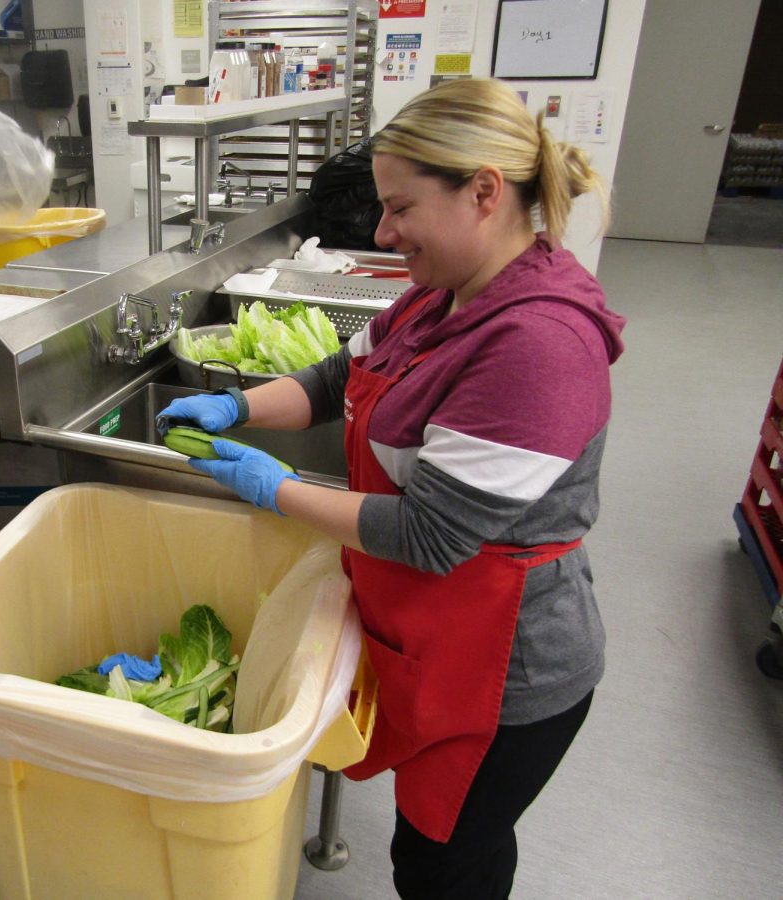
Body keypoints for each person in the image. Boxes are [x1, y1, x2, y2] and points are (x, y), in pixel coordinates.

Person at [157, 77, 626, 898]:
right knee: (452, 848)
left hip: (505, 670)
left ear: (484, 192)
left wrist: (273, 487)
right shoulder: (442, 294)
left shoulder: (537, 345)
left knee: (445, 864)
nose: (382, 230)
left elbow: (430, 535)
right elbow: (345, 372)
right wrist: (238, 403)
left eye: (400, 208)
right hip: (439, 634)